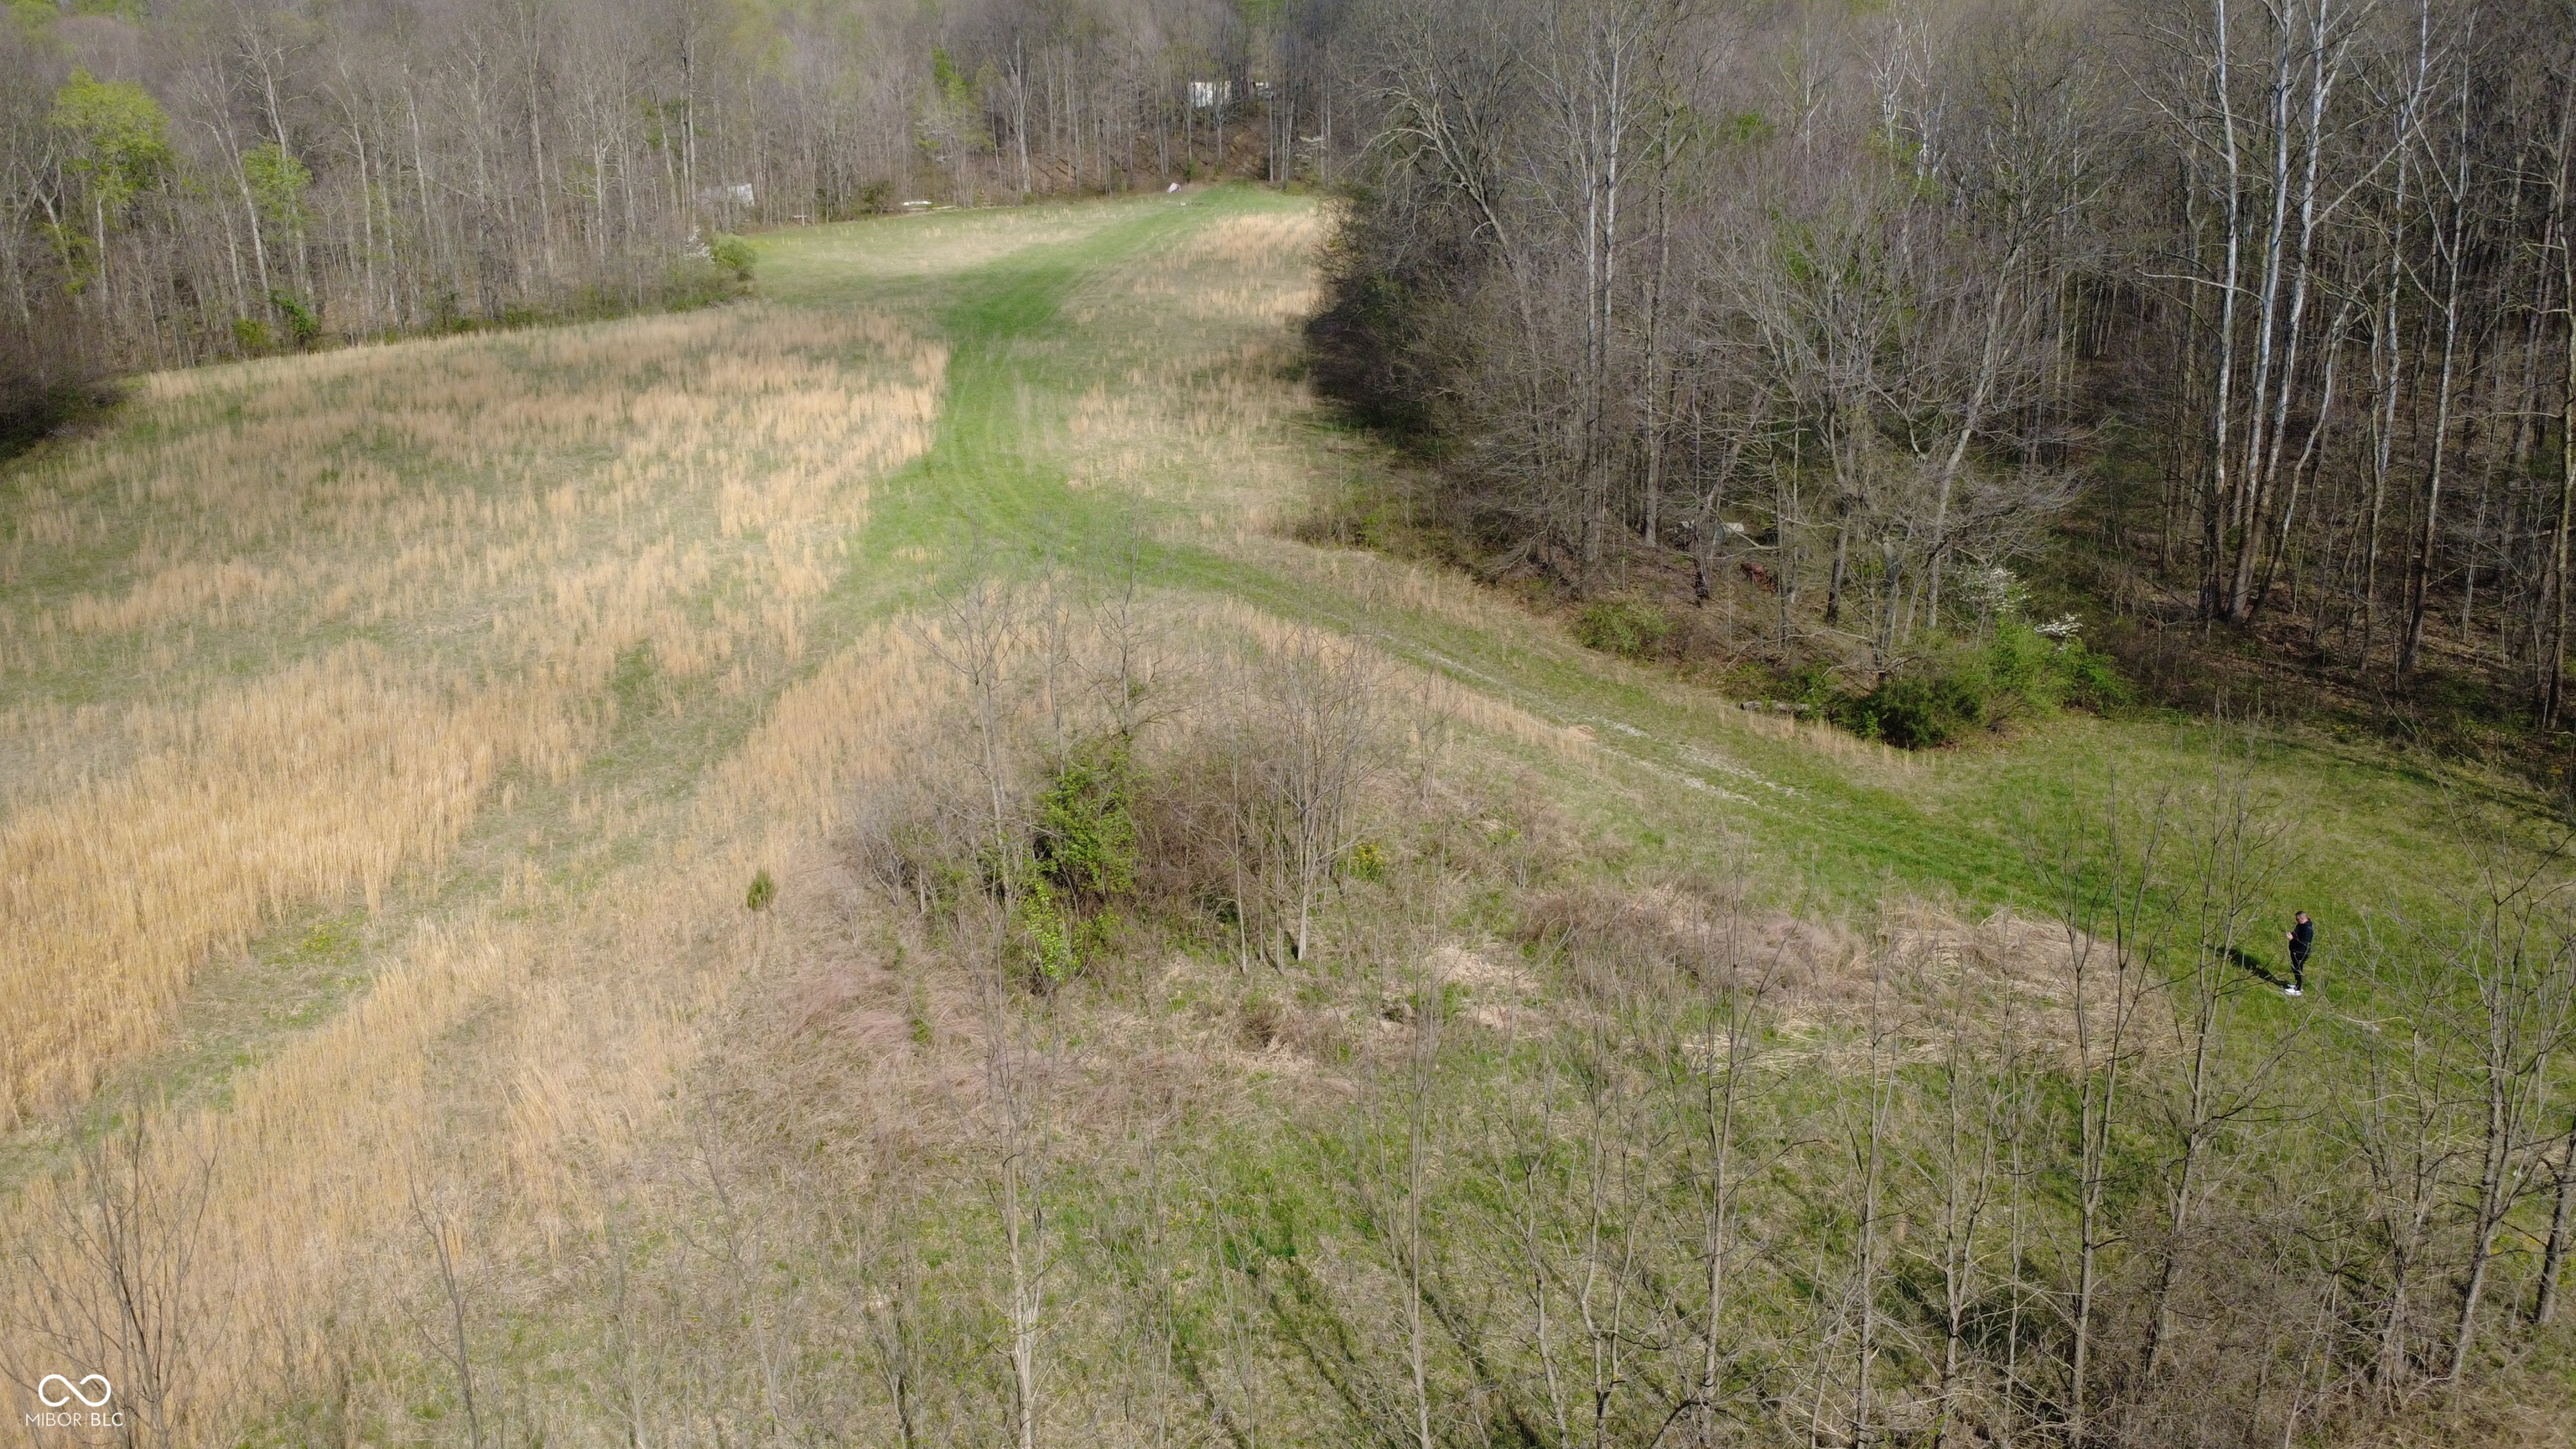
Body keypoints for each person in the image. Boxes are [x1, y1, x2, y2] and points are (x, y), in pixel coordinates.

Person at [2284, 911, 2314, 996]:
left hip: (2301, 952)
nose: (2296, 921)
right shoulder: (2300, 926)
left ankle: (2298, 989)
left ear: (2302, 919)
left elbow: (2303, 943)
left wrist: (2291, 940)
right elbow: (2296, 933)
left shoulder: (2308, 929)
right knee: (2294, 967)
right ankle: (2297, 984)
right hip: (2295, 950)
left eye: (2297, 919)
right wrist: (2291, 934)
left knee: (2298, 969)